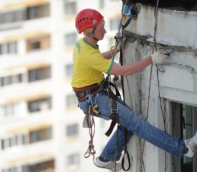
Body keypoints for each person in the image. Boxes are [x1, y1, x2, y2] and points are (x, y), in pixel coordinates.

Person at [71, 8, 197, 171]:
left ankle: (106, 157)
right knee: (138, 124)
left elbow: (97, 59)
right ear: (89, 32)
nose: (105, 30)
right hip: (95, 99)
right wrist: (151, 59)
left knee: (130, 123)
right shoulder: (88, 54)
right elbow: (123, 71)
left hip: (93, 95)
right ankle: (184, 148)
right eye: (101, 28)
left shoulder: (82, 45)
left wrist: (114, 51)